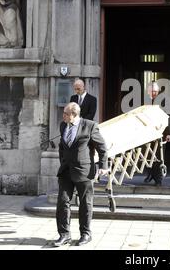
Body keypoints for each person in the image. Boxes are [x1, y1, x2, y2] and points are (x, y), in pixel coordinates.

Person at [54, 102, 108, 247]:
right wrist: (62, 161)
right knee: (62, 202)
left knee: (85, 203)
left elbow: (102, 147)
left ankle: (85, 234)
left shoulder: (90, 125)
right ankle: (64, 235)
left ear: (74, 114)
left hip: (84, 171)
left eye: (65, 113)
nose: (63, 115)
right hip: (66, 171)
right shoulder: (63, 125)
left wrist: (103, 165)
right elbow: (62, 146)